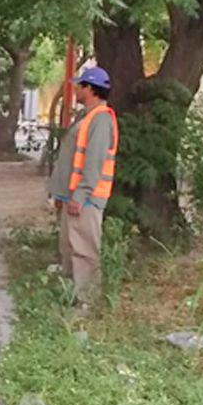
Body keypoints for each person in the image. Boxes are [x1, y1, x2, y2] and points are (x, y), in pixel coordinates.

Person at [48, 66, 118, 303]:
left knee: (85, 249)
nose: (76, 89)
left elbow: (94, 162)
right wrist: (63, 193)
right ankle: (71, 293)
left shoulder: (100, 119)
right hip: (74, 196)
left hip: (86, 199)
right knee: (69, 247)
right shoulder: (87, 116)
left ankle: (86, 300)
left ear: (91, 89)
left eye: (80, 85)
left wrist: (80, 195)